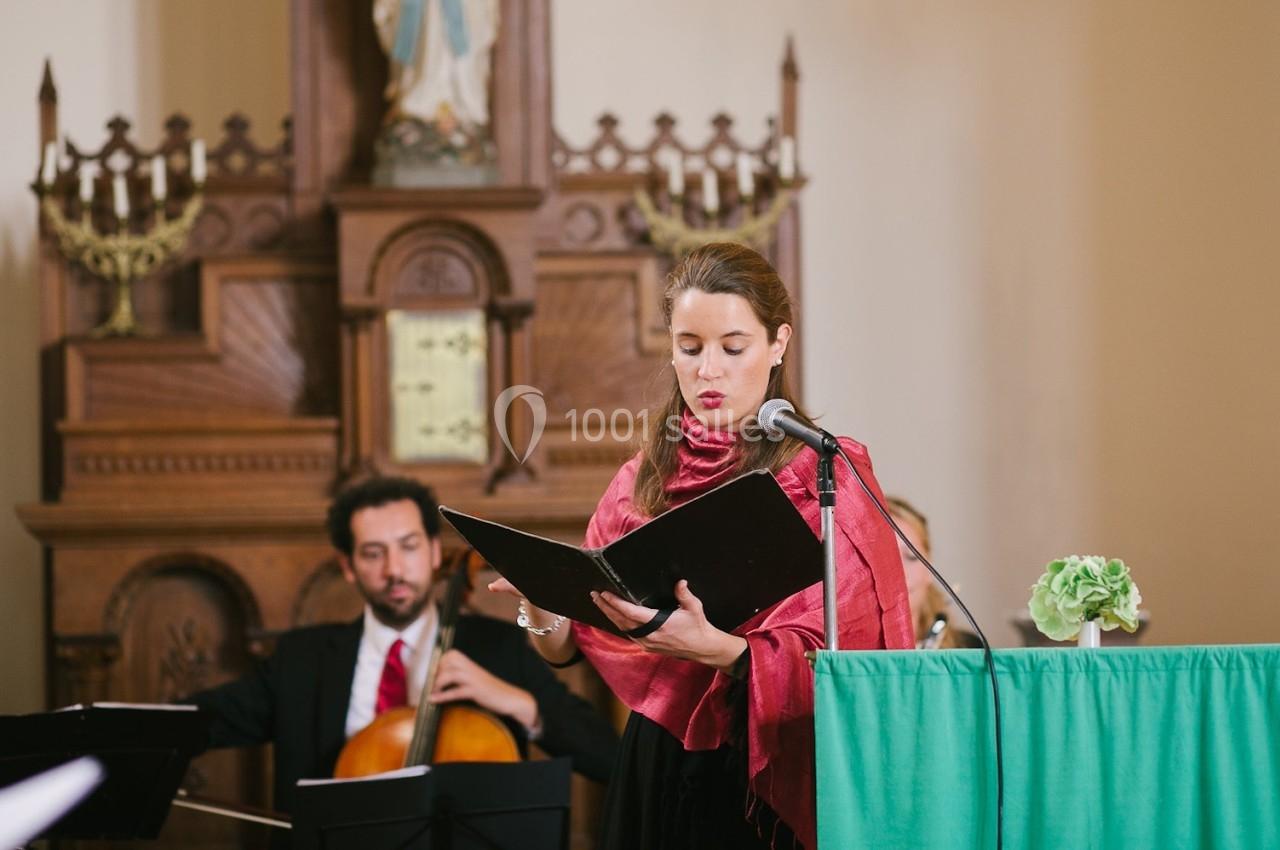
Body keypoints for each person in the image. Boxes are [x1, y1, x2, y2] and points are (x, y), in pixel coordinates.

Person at [489, 243, 914, 850]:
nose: (707, 370)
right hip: (659, 765)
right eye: (689, 347)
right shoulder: (643, 478)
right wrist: (544, 605)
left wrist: (726, 652)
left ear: (778, 344)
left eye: (732, 347)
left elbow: (861, 663)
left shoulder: (825, 472)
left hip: (770, 769)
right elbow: (570, 649)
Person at [185, 476, 618, 816]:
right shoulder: (302, 660)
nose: (394, 570)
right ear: (349, 567)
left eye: (408, 548)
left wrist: (524, 706)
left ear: (433, 552)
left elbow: (609, 760)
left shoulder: (497, 649)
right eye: (373, 554)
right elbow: (200, 721)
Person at [886, 496, 981, 649]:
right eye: (883, 557)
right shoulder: (839, 655)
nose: (899, 572)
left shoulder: (969, 649)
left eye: (911, 556)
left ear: (929, 568)